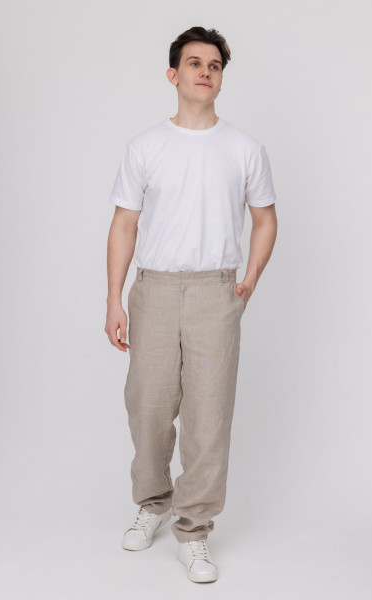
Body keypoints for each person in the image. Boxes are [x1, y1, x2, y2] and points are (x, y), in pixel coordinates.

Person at [105, 26, 278, 583]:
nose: (205, 71)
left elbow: (265, 219)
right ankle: (153, 502)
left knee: (209, 416)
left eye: (214, 65)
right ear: (173, 74)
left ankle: (195, 529)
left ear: (221, 79)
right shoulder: (145, 146)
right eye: (194, 63)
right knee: (148, 408)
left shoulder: (244, 149)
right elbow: (124, 224)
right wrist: (114, 298)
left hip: (215, 292)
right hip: (154, 289)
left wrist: (249, 279)